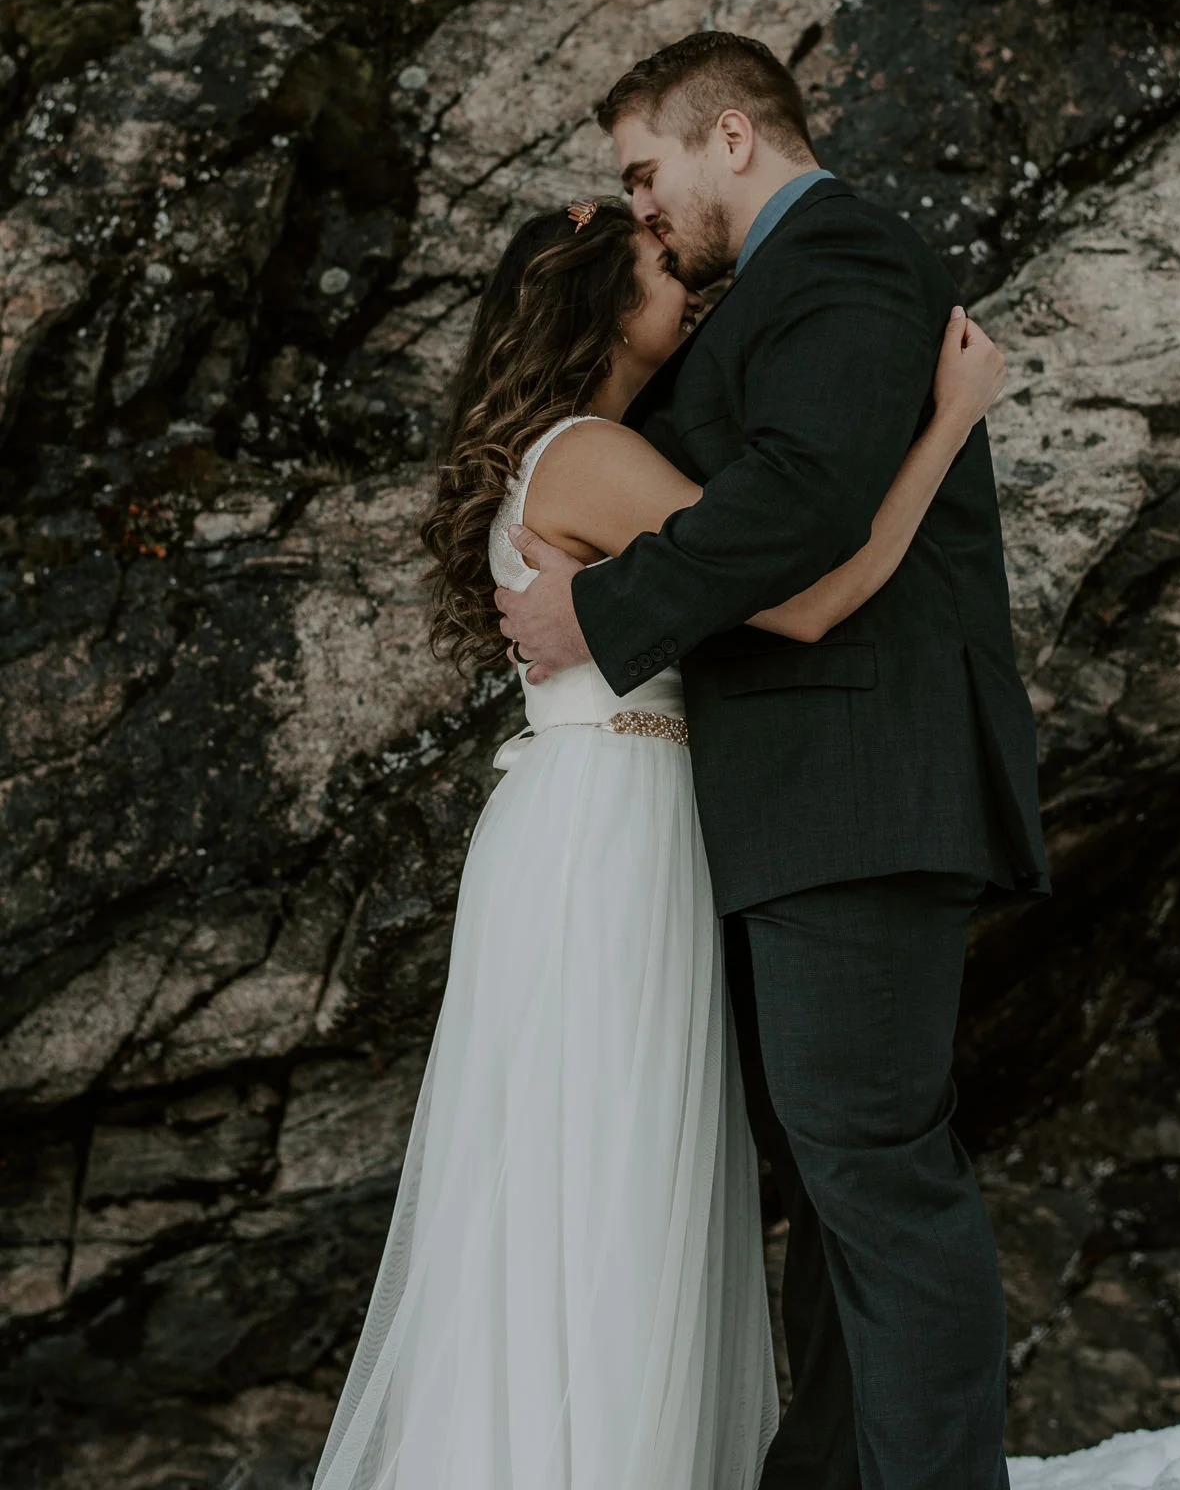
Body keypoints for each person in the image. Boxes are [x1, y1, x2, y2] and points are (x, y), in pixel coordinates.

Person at [311, 190, 1010, 1490]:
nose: (683, 273)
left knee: (583, 1184)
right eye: (651, 260)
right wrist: (950, 419)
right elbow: (804, 598)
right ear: (590, 301)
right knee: (608, 1192)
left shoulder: (580, 447)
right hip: (607, 847)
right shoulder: (580, 453)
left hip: (595, 829)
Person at [497, 32, 1050, 1490]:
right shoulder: (768, 296)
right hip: (792, 805)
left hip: (856, 790)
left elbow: (802, 499)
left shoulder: (849, 259)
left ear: (729, 136)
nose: (641, 208)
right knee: (831, 1187)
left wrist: (600, 609)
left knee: (876, 1174)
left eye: (645, 172)